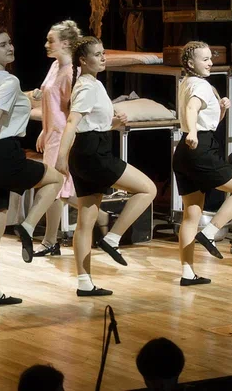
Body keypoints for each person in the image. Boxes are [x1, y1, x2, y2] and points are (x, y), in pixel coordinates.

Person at [0, 28, 63, 306]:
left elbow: (6, 103)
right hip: (4, 154)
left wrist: (29, 95)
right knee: (56, 178)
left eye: (10, 42)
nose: (10, 47)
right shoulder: (9, 80)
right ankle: (28, 226)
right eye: (2, 44)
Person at [56, 36, 157, 296]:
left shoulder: (92, 84)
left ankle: (84, 282)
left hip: (88, 150)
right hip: (93, 154)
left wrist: (114, 123)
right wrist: (60, 157)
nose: (103, 58)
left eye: (103, 53)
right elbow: (72, 122)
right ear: (83, 60)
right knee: (148, 189)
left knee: (86, 221)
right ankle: (113, 238)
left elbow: (91, 124)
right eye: (97, 54)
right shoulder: (87, 87)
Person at [173, 41, 232, 285]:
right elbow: (192, 108)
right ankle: (209, 233)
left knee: (191, 214)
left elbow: (207, 121)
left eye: (211, 58)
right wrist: (193, 132)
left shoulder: (186, 82)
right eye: (205, 59)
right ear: (190, 63)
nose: (210, 63)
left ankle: (188, 273)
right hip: (200, 148)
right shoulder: (201, 85)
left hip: (184, 153)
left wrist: (220, 110)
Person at [31, 20, 108, 258]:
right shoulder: (55, 66)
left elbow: (71, 112)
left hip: (63, 134)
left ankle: (50, 240)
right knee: (59, 189)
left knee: (54, 187)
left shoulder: (71, 74)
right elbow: (51, 103)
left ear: (65, 43)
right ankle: (101, 216)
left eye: (50, 40)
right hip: (51, 133)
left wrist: (61, 137)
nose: (46, 44)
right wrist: (44, 129)